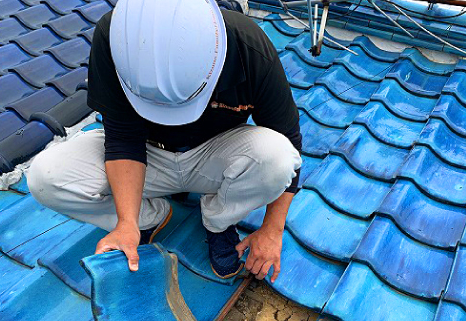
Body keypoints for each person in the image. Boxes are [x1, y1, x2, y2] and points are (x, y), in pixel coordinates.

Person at [28, 0, 302, 283]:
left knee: (279, 159)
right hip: (147, 156)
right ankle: (145, 218)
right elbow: (123, 138)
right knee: (46, 177)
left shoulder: (247, 44)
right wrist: (126, 223)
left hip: (214, 157)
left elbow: (289, 137)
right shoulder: (115, 36)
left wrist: (272, 230)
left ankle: (218, 221)